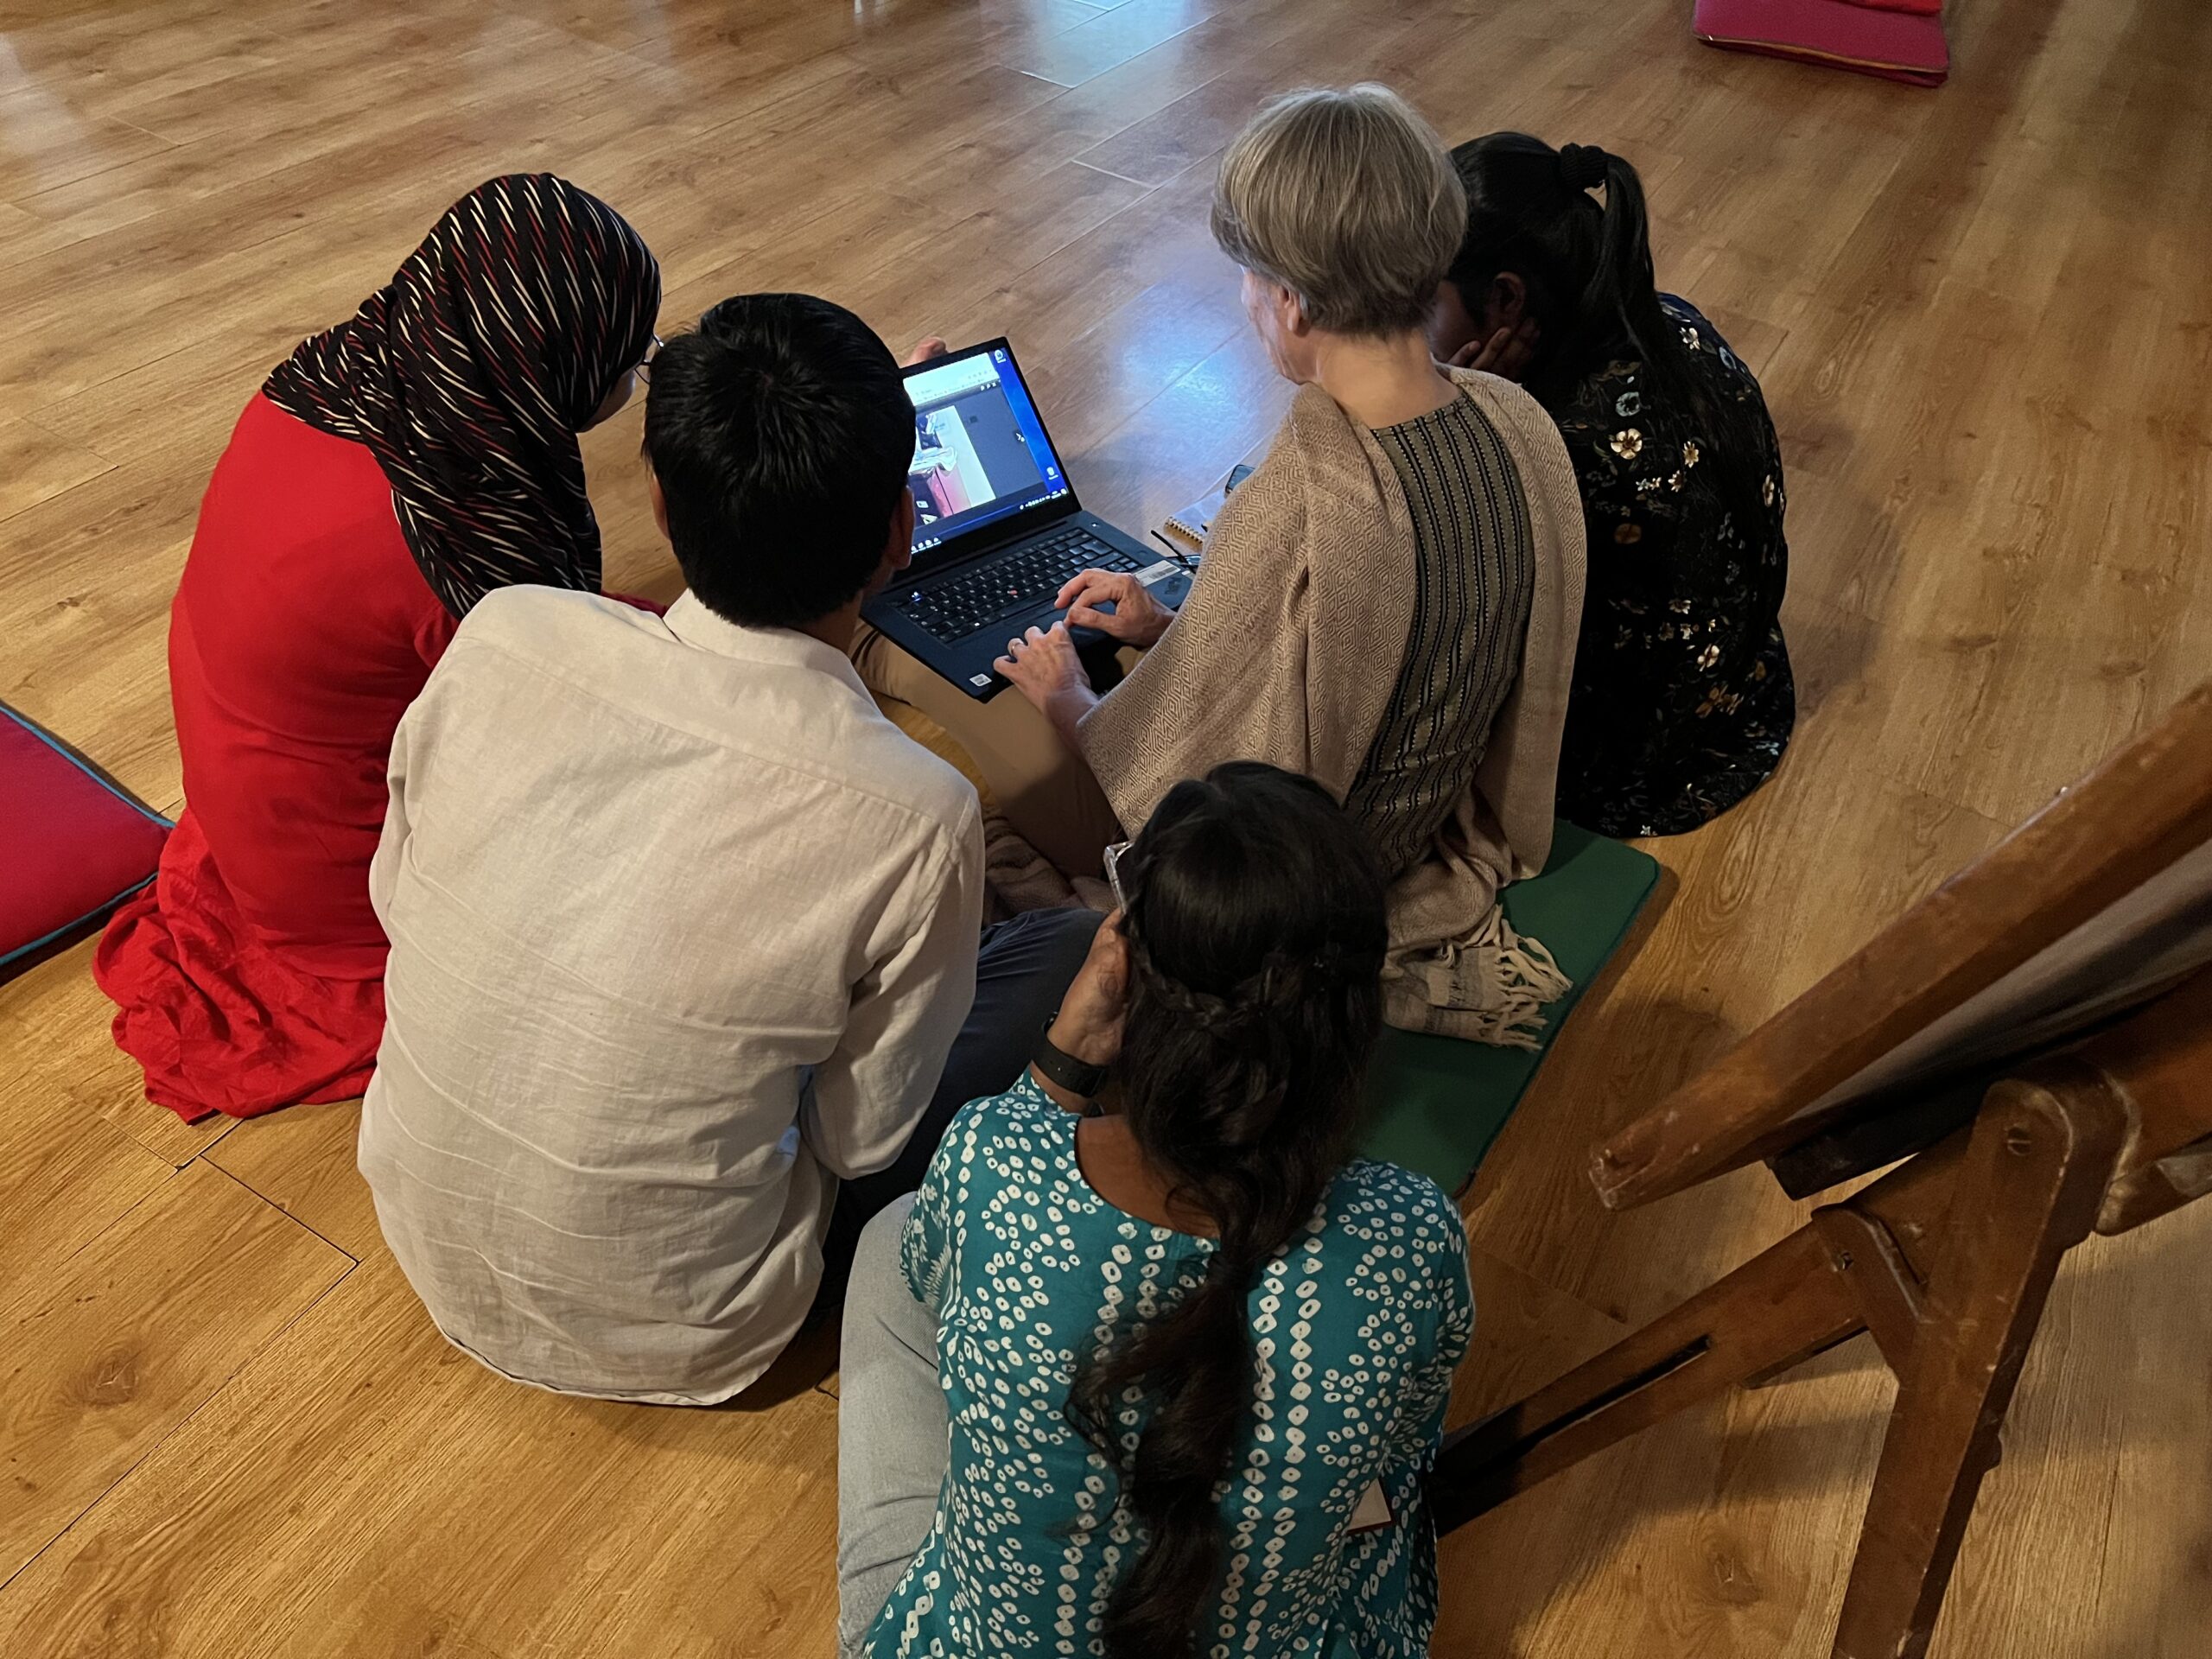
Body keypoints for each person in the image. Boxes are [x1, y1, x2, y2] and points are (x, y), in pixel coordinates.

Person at [358, 294, 1097, 1404]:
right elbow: (859, 1139)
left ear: (658, 499)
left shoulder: (505, 631)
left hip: (418, 1230)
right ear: (903, 530)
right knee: (1070, 943)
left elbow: (395, 900)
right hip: (705, 1334)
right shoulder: (916, 810)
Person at [837, 761, 1476, 1659]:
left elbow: (936, 1260)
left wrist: (1061, 1057)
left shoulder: (992, 1162)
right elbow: (1405, 1450)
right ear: (1357, 1015)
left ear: (1124, 974)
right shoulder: (1410, 1238)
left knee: (892, 1236)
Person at [996, 85, 1588, 1046]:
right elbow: (1382, 629)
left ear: (1294, 301)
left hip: (1302, 875)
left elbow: (1188, 778)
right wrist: (1167, 629)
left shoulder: (1301, 500)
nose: (1245, 302)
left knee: (989, 774)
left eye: (1246, 278)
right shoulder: (1515, 421)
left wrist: (1069, 703)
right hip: (1424, 825)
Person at [93, 174, 663, 1122]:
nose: (627, 379)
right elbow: (568, 746)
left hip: (249, 799)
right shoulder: (461, 540)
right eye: (623, 358)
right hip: (336, 888)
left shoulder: (331, 379)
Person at [1430, 133, 1795, 837]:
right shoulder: (1669, 320)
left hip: (1630, 761)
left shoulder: (1552, 443)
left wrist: (1472, 429)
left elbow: (1449, 588)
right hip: (1738, 693)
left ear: (1506, 297)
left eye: (1421, 302)